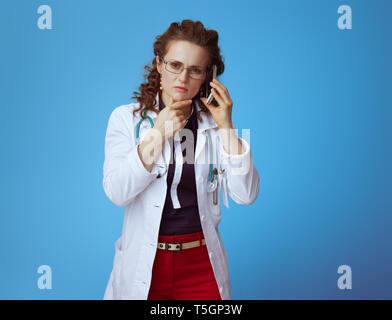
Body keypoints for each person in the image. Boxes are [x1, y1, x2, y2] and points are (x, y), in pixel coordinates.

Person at [102, 19, 260, 300]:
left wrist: (227, 128)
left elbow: (245, 195)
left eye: (195, 70)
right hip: (147, 265)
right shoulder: (127, 119)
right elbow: (117, 192)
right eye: (175, 65)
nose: (183, 78)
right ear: (159, 64)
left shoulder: (213, 125)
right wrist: (157, 135)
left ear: (207, 76)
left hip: (200, 264)